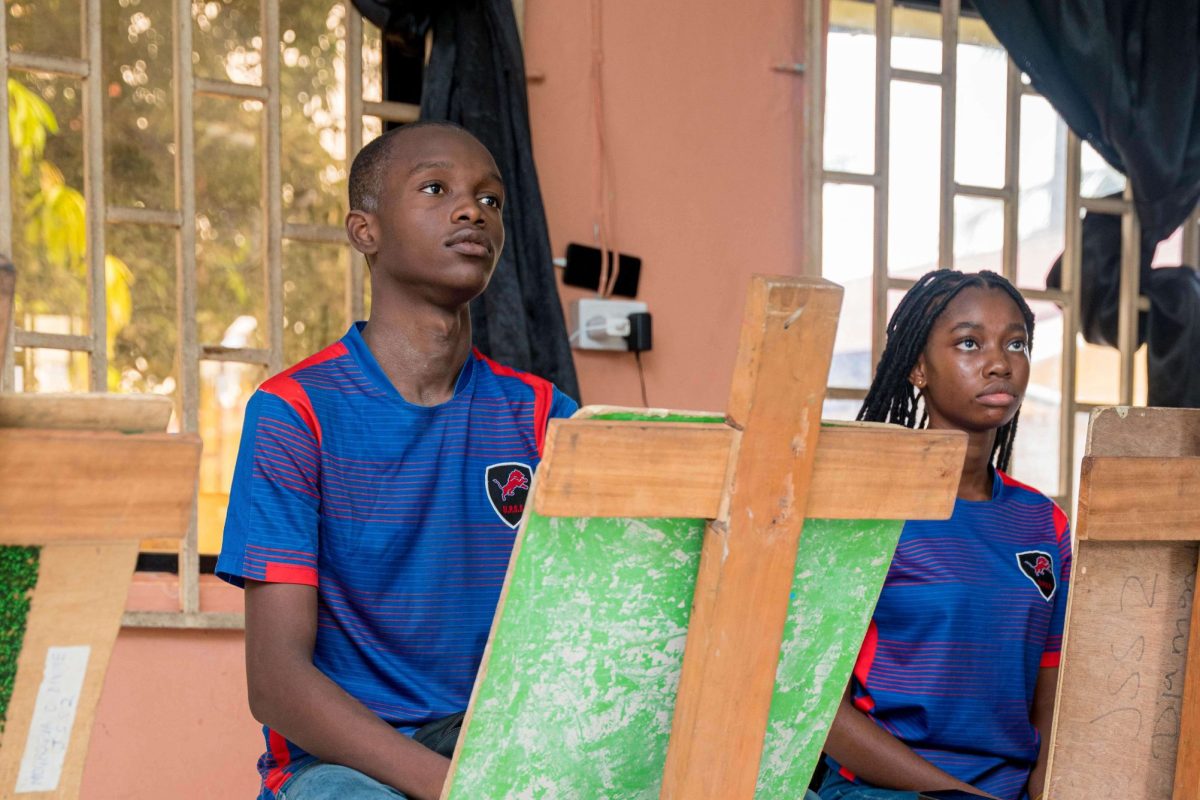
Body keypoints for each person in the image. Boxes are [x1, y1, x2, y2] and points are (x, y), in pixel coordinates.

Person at [216, 121, 578, 800]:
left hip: (495, 738)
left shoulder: (542, 414)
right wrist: (458, 790)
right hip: (340, 766)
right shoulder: (296, 411)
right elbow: (276, 682)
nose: (472, 210)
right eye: (436, 188)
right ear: (365, 232)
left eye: (491, 200)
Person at [818, 269, 1071, 800]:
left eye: (1016, 344)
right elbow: (820, 710)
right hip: (885, 790)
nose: (999, 363)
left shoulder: (1044, 522)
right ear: (917, 367)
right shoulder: (867, 508)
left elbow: (1052, 696)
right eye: (969, 343)